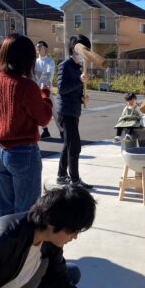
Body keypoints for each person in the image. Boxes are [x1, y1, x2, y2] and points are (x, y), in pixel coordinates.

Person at [0, 33, 53, 217]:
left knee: (6, 211)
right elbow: (43, 118)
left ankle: (5, 245)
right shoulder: (25, 85)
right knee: (27, 212)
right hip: (23, 152)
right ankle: (23, 246)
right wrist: (45, 95)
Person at [56, 34, 93, 189]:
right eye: (84, 49)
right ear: (74, 49)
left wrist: (82, 99)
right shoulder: (65, 65)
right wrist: (79, 80)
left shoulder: (77, 67)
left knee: (68, 144)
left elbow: (74, 90)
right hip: (65, 112)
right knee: (74, 146)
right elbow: (62, 89)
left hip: (73, 110)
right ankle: (75, 180)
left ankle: (61, 175)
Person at [34, 40, 59, 140]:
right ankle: (45, 131)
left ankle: (62, 130)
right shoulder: (35, 62)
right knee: (38, 111)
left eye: (40, 46)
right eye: (37, 46)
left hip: (46, 89)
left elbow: (48, 75)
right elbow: (34, 75)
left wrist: (40, 77)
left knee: (53, 110)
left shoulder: (49, 61)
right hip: (36, 90)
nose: (38, 48)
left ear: (45, 48)